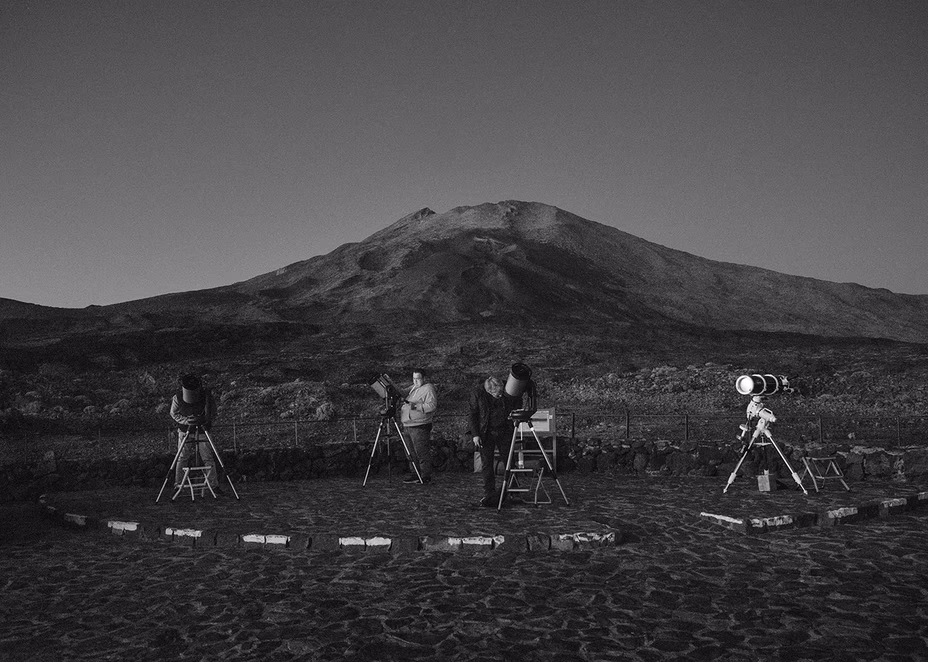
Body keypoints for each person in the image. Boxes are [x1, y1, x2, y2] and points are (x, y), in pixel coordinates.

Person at [468, 376, 522, 507]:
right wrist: (475, 435)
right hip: (485, 432)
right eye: (497, 394)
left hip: (504, 430)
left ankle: (513, 489)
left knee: (510, 460)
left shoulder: (507, 387)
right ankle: (489, 492)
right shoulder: (477, 393)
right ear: (489, 391)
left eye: (501, 392)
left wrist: (514, 414)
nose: (500, 395)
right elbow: (473, 414)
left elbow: (517, 400)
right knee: (487, 463)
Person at [170, 373, 219, 491]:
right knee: (182, 458)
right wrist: (187, 420)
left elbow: (213, 412)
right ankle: (178, 484)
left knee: (207, 457)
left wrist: (205, 419)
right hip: (185, 430)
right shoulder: (178, 397)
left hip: (203, 429)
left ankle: (213, 485)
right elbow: (173, 413)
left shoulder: (206, 397)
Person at [400, 369, 438, 484]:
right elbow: (401, 392)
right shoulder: (413, 388)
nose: (416, 381)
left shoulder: (428, 388)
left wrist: (416, 406)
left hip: (420, 425)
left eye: (418, 379)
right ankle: (415, 473)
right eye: (414, 379)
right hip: (408, 424)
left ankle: (425, 475)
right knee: (410, 452)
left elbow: (432, 405)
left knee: (421, 451)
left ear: (424, 378)